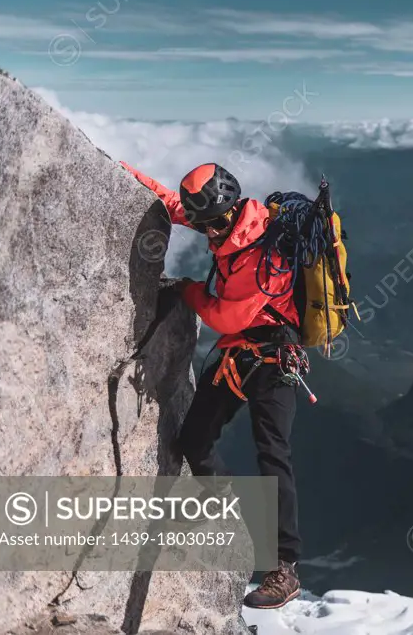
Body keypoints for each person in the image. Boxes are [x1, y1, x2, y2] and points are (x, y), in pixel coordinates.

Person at [122, 161, 303, 610]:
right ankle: (235, 519)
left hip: (273, 358)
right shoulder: (221, 222)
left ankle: (284, 566)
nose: (204, 232)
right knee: (194, 439)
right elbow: (174, 206)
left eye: (208, 225)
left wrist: (187, 290)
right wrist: (122, 170)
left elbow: (226, 316)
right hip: (238, 355)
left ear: (224, 214)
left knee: (272, 452)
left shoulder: (267, 252)